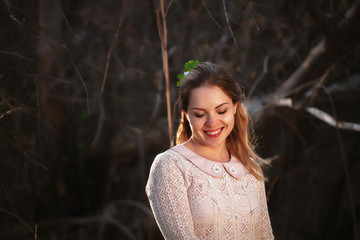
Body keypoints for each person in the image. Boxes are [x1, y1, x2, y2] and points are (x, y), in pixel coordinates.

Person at [145, 62, 274, 239]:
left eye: (221, 111)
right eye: (199, 114)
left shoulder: (250, 169)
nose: (212, 122)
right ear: (186, 114)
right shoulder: (171, 166)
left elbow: (265, 236)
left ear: (235, 107)